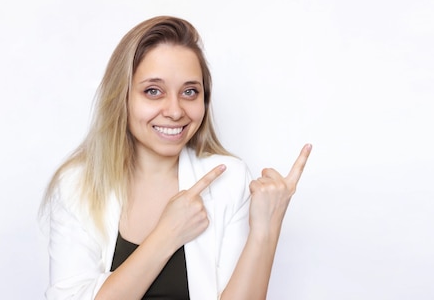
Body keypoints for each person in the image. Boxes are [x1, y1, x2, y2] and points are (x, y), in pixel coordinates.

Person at [39, 15, 312, 299]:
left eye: (190, 92)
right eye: (153, 91)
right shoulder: (76, 185)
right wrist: (167, 234)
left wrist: (266, 229)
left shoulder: (228, 178)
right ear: (122, 96)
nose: (175, 110)